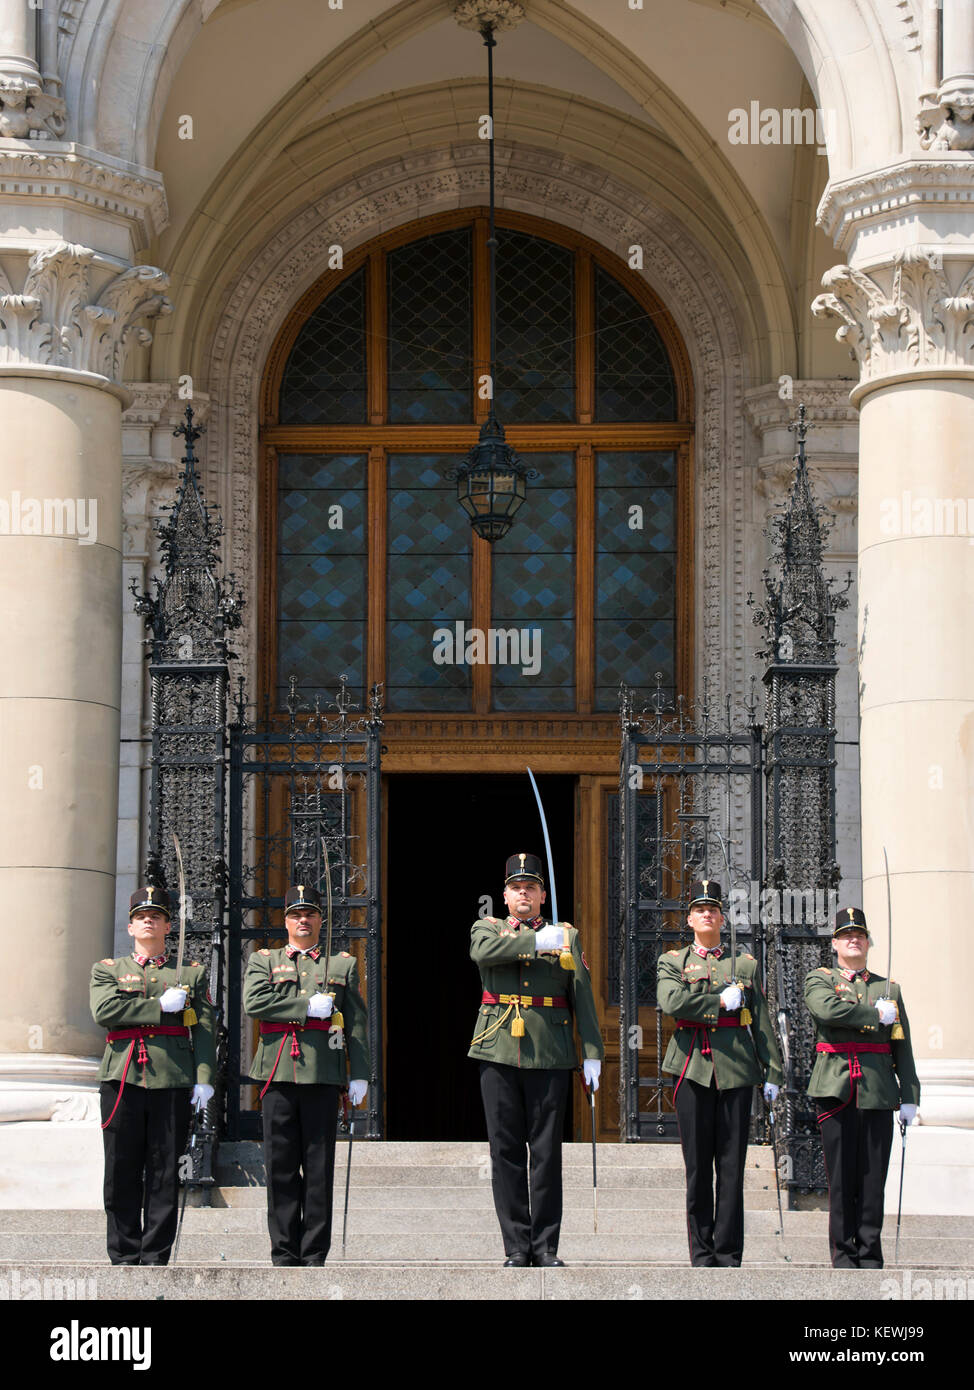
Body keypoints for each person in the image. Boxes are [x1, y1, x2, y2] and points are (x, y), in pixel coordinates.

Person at [468, 852, 603, 1268]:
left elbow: (582, 995)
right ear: (505, 897)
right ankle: (515, 1245)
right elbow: (483, 954)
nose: (523, 893)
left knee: (546, 1152)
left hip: (551, 1051)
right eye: (515, 888)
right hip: (498, 1049)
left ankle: (545, 1246)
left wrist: (593, 1053)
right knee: (505, 1150)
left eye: (531, 887)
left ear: (543, 895)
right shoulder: (486, 927)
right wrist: (535, 942)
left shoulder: (566, 934)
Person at [657, 879, 782, 1267]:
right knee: (697, 1167)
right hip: (692, 1068)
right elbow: (671, 1001)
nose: (707, 914)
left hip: (735, 1069)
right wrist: (716, 1001)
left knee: (731, 1166)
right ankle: (702, 1251)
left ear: (722, 918)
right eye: (700, 909)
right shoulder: (673, 961)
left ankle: (729, 1252)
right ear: (690, 919)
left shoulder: (743, 965)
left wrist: (772, 1071)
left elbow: (760, 1021)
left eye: (713, 909)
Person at [243, 883, 370, 1266]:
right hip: (277, 1074)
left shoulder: (342, 964)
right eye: (296, 914)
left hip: (322, 1074)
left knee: (318, 1170)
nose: (303, 920)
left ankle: (314, 1252)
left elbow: (358, 1025)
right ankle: (283, 1250)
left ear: (320, 919)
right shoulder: (263, 961)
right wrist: (303, 1006)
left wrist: (359, 1073)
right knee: (280, 1168)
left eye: (310, 913)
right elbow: (254, 1002)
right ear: (286, 921)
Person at [90, 885, 216, 1266]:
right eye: (141, 917)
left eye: (156, 916)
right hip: (122, 1076)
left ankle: (156, 1254)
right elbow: (105, 1011)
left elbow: (206, 1028)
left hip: (171, 1078)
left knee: (164, 1171)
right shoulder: (108, 970)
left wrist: (204, 1076)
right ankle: (124, 1253)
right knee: (121, 1168)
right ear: (130, 928)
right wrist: (157, 1006)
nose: (148, 921)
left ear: (167, 926)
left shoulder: (190, 973)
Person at [804, 906, 919, 1268]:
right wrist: (873, 1016)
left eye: (860, 935)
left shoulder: (888, 988)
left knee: (873, 1178)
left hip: (878, 1089)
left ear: (868, 943)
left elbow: (902, 1045)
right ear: (835, 943)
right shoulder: (819, 979)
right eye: (846, 935)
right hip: (836, 1088)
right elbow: (827, 1012)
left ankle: (869, 1253)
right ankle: (843, 1254)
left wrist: (910, 1095)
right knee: (841, 1178)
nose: (853, 939)